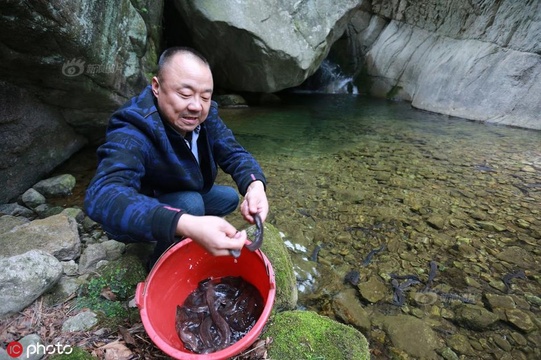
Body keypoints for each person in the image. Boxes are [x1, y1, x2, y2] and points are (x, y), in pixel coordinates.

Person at [84, 46, 269, 268]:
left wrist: (255, 185)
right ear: (156, 87)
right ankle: (158, 264)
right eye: (184, 94)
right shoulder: (133, 127)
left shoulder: (206, 116)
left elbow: (233, 151)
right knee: (190, 204)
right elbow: (102, 195)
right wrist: (184, 223)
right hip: (138, 213)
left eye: (205, 96)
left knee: (229, 197)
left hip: (175, 190)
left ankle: (189, 219)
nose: (196, 106)